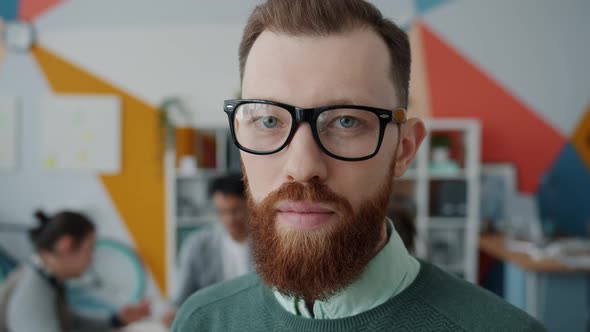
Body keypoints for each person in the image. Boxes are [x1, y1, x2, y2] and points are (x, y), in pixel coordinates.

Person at [173, 1, 546, 331]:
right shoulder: (203, 320)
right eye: (269, 121)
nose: (302, 167)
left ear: (404, 149)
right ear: (240, 138)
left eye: (347, 121)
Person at [0, 210, 150, 332]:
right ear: (66, 245)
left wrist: (117, 320)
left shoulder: (45, 278)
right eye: (90, 250)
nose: (92, 259)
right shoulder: (32, 293)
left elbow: (70, 321)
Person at [162, 173, 250, 326]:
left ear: (250, 205)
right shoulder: (197, 245)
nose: (229, 219)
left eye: (236, 210)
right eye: (222, 211)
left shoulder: (267, 243)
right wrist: (172, 314)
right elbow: (181, 298)